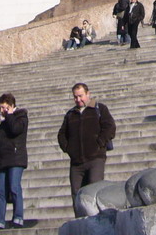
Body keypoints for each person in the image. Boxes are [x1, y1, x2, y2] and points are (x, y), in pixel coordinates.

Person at [57, 83, 116, 218]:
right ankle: (80, 223)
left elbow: (110, 127)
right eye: (75, 97)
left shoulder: (99, 109)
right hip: (76, 162)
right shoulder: (70, 114)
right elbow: (61, 134)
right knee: (76, 195)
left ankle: (98, 222)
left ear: (88, 94)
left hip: (95, 158)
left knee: (95, 191)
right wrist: (68, 148)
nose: (78, 100)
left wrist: (99, 143)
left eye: (80, 96)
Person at [0, 92, 28, 229]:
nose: (2, 111)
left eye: (5, 108)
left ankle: (18, 217)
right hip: (3, 160)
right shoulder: (3, 122)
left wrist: (10, 115)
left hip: (16, 158)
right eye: (1, 108)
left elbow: (15, 130)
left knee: (14, 187)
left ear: (12, 106)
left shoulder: (21, 117)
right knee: (0, 190)